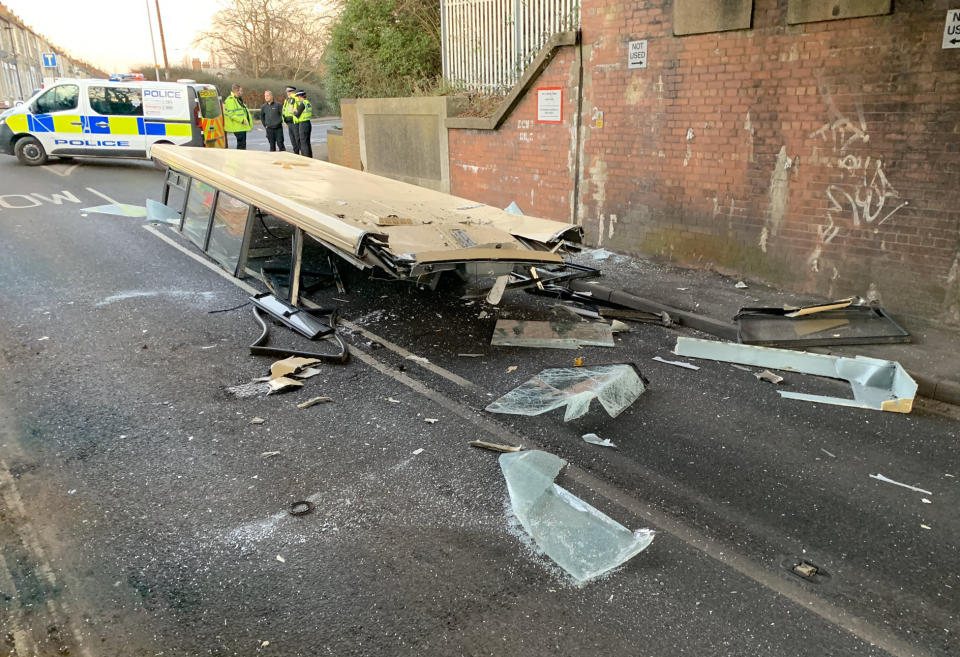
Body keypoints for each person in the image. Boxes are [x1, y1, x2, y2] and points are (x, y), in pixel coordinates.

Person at [223, 84, 251, 149]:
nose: (242, 92)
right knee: (241, 145)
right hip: (237, 127)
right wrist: (241, 120)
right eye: (241, 91)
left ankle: (241, 158)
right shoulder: (230, 100)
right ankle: (240, 158)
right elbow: (231, 114)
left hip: (241, 127)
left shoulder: (237, 99)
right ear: (236, 91)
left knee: (242, 145)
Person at [293, 89, 313, 159]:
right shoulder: (308, 103)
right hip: (308, 123)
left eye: (298, 96)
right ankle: (310, 157)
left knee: (303, 142)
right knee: (307, 142)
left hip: (303, 124)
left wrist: (294, 111)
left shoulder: (302, 104)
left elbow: (297, 114)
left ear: (300, 96)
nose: (298, 98)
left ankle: (306, 158)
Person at [282, 85, 300, 155]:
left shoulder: (295, 98)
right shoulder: (287, 100)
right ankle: (296, 154)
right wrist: (284, 121)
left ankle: (300, 155)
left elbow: (296, 110)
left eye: (289, 91)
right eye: (287, 92)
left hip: (294, 122)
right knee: (293, 140)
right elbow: (284, 111)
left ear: (293, 92)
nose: (288, 93)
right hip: (289, 122)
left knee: (297, 139)